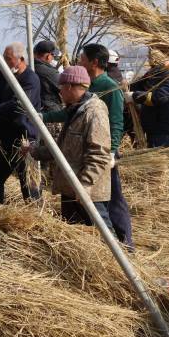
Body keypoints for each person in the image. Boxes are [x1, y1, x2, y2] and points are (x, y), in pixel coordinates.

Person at [44, 44, 133, 248]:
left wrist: (112, 152)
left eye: (82, 59)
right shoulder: (86, 85)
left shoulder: (109, 86)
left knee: (111, 200)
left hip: (102, 152)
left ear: (94, 62)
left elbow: (116, 122)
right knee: (92, 203)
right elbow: (69, 114)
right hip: (87, 152)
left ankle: (124, 244)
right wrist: (44, 116)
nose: (79, 62)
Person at [29, 66, 114, 231]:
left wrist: (85, 185)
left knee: (102, 234)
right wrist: (35, 151)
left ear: (69, 86)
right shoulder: (74, 111)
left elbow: (99, 154)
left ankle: (115, 250)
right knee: (73, 234)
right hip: (70, 188)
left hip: (88, 191)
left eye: (61, 88)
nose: (60, 92)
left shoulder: (94, 112)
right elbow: (63, 149)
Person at [0, 41, 42, 205]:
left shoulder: (31, 80)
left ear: (21, 59)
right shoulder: (2, 72)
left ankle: (34, 214)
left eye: (8, 58)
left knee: (29, 184)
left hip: (24, 139)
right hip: (2, 138)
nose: (4, 62)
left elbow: (16, 107)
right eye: (4, 58)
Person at [127, 57, 169, 148]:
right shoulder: (157, 76)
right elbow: (137, 87)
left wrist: (134, 96)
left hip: (167, 132)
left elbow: (158, 98)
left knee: (164, 157)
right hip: (155, 130)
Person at [33, 40, 63, 113]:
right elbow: (64, 87)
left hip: (35, 108)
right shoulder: (50, 72)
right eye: (53, 55)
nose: (53, 58)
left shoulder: (30, 67)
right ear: (48, 56)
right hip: (49, 110)